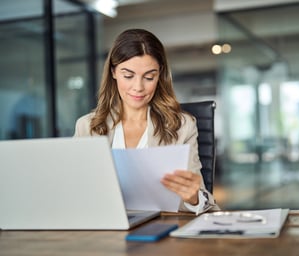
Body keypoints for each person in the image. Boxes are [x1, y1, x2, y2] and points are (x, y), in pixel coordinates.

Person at [73, 28, 219, 214]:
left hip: (160, 229)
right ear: (113, 72)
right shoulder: (87, 127)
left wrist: (193, 197)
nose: (138, 87)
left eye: (149, 77)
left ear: (160, 75)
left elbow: (204, 203)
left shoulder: (182, 126)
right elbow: (76, 193)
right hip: (104, 229)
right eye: (128, 76)